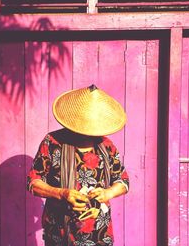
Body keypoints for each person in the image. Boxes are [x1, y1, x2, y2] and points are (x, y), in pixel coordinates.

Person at [27, 85, 129, 246]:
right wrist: (62, 193)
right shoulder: (53, 142)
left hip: (99, 233)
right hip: (59, 233)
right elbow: (33, 183)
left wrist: (108, 193)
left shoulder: (106, 145)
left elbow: (123, 182)